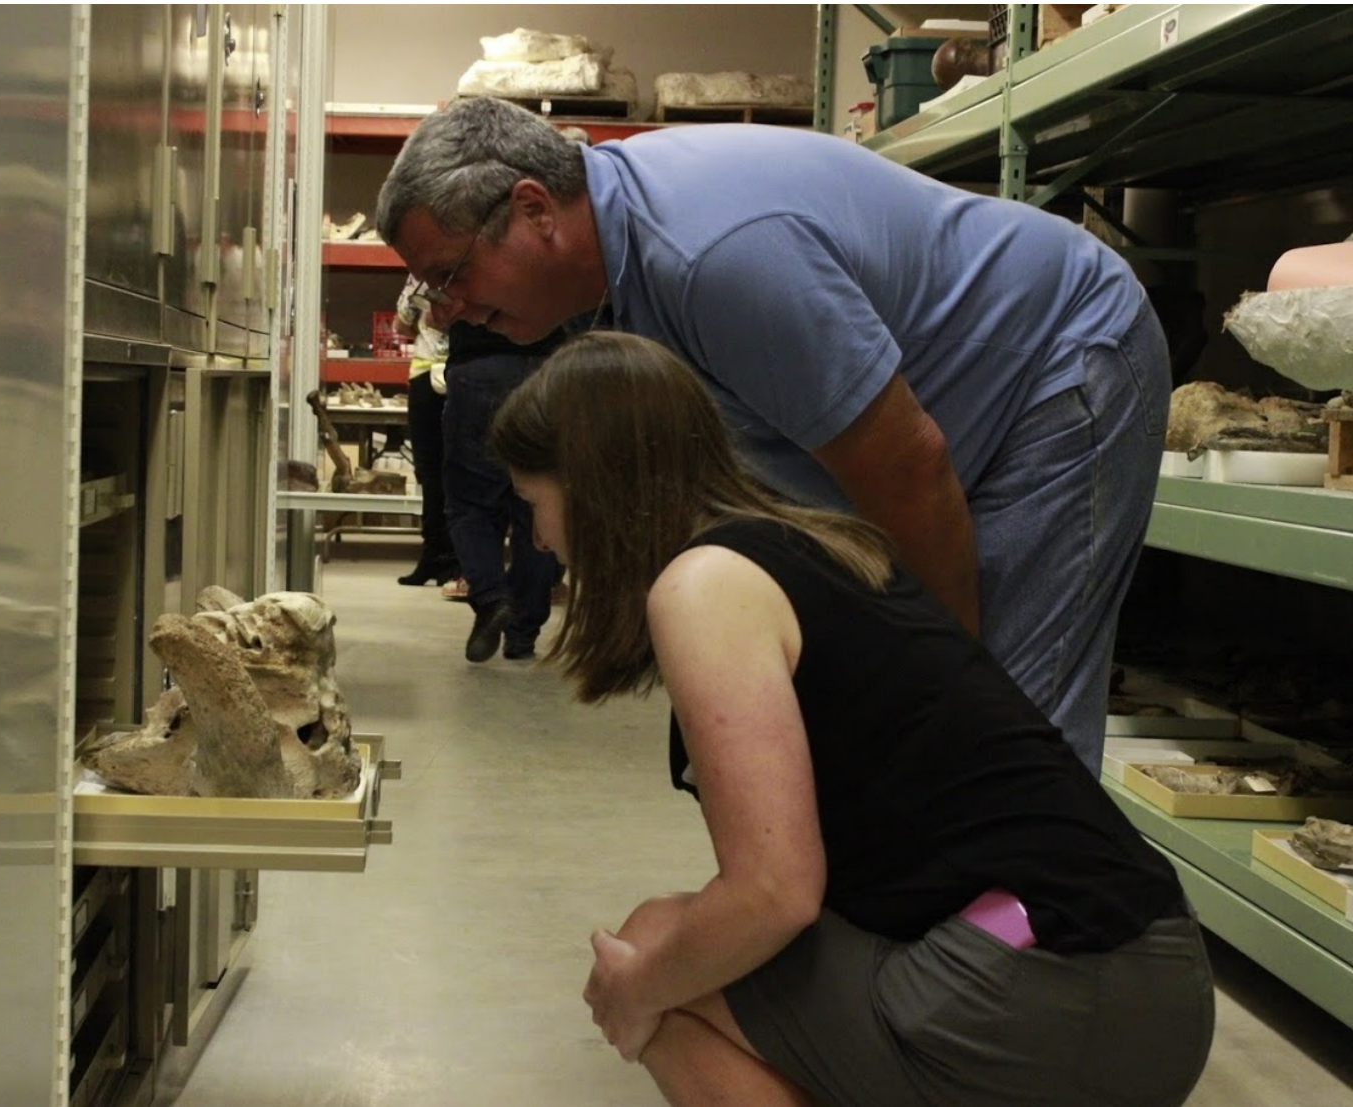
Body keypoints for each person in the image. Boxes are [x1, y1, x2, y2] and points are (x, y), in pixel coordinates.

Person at [489, 331, 1212, 1107]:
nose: (541, 538)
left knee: (651, 959)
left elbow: (774, 892)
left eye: (536, 504)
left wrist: (634, 990)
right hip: (1141, 969)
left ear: (593, 485)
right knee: (670, 935)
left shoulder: (702, 587)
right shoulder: (810, 545)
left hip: (1060, 984)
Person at [376, 96, 1172, 775]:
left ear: (533, 209)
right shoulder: (618, 269)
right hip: (951, 418)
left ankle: (1039, 899)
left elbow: (908, 469)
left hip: (1059, 368)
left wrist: (941, 691)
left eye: (450, 274)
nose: (445, 310)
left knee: (1004, 726)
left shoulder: (712, 256)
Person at [440, 318, 564, 662]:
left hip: (479, 366)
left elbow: (437, 314)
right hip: (548, 370)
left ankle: (492, 597)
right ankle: (523, 633)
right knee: (538, 505)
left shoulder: (466, 276)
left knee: (470, 503)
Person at [391, 276, 461, 587]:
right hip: (437, 374)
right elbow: (401, 324)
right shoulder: (421, 275)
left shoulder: (425, 274)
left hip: (449, 374)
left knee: (445, 471)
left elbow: (405, 323)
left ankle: (449, 556)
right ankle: (439, 554)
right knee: (436, 471)